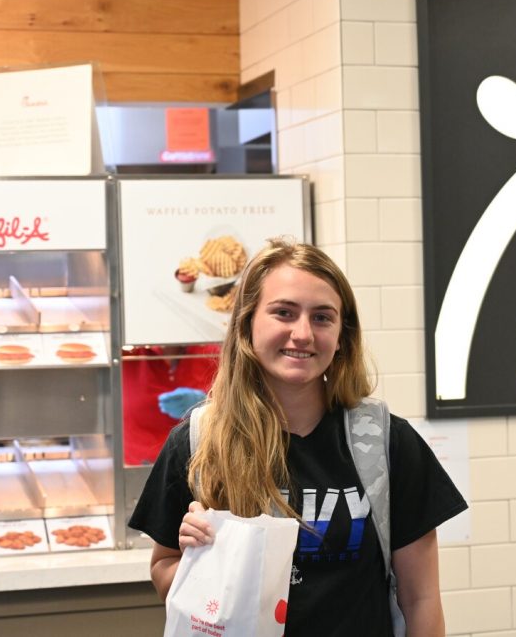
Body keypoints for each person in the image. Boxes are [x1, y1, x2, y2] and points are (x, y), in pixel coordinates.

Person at [129, 238, 467, 636]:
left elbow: (421, 598)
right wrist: (197, 561)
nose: (303, 333)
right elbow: (163, 569)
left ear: (342, 335)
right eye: (284, 313)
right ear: (247, 323)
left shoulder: (387, 443)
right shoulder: (199, 442)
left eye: (322, 317)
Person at [120, 343, 220, 466]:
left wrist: (209, 403)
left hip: (201, 465)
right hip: (138, 468)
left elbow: (236, 411)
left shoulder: (212, 353)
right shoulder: (128, 353)